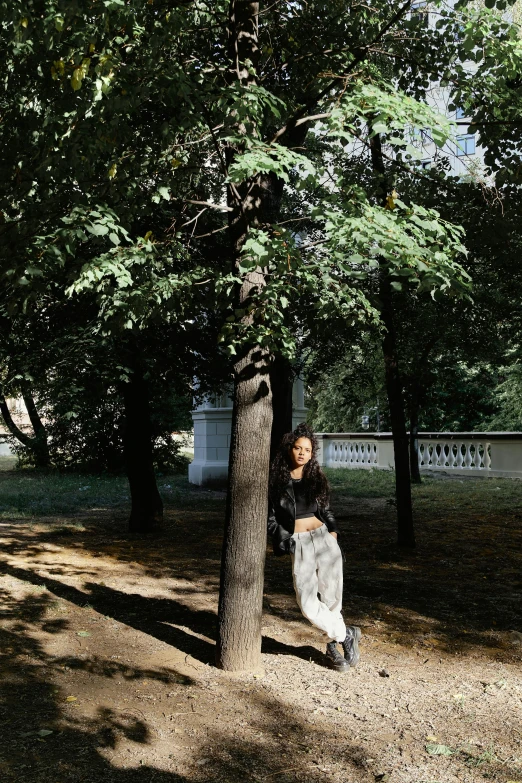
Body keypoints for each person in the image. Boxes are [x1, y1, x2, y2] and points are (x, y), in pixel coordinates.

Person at [267, 423, 361, 672]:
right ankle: (346, 633)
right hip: (299, 543)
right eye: (297, 448)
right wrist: (286, 540)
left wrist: (333, 532)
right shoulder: (276, 481)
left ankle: (333, 648)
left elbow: (326, 510)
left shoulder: (315, 478)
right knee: (308, 604)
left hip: (324, 539)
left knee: (332, 600)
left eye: (306, 449)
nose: (301, 453)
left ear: (311, 454)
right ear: (290, 450)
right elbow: (270, 518)